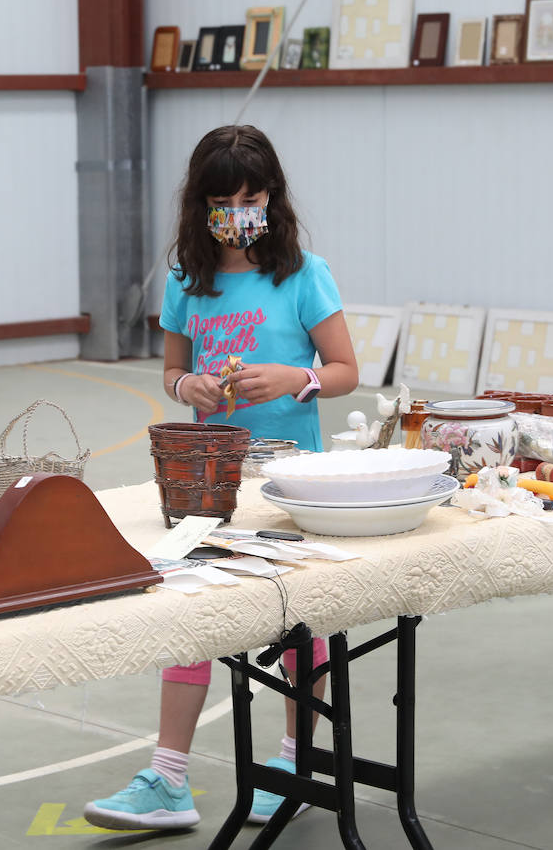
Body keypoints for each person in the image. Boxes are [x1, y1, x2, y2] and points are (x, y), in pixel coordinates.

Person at [83, 125, 358, 830]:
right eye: (222, 200)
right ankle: (168, 776)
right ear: (200, 205)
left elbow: (345, 370)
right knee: (193, 612)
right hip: (211, 484)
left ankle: (297, 763)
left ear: (271, 198)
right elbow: (172, 370)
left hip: (291, 484)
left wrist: (296, 377)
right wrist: (191, 389)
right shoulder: (187, 280)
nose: (238, 212)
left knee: (303, 621)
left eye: (250, 197)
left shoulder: (304, 274)